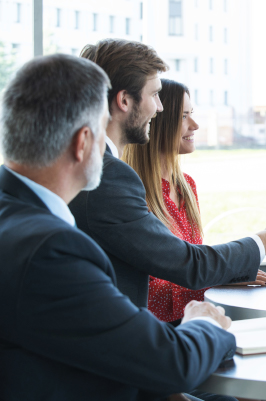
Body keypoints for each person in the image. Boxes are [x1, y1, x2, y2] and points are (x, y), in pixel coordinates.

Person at [0, 53, 237, 401]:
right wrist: (206, 322)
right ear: (83, 143)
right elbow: (173, 363)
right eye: (102, 133)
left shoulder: (14, 215)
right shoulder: (52, 250)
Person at [69, 39, 266, 310]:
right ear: (123, 100)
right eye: (154, 94)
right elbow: (188, 265)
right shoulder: (110, 177)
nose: (158, 108)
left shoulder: (93, 167)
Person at [122, 79, 266, 322]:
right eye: (183, 116)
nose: (195, 125)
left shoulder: (186, 186)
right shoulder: (132, 193)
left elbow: (192, 267)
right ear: (157, 121)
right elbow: (147, 295)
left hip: (191, 324)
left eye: (192, 114)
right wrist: (225, 277)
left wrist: (227, 275)